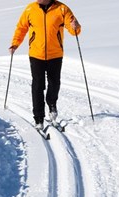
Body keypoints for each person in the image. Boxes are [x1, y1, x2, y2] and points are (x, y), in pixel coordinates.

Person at [9, 0, 81, 130]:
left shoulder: (62, 9)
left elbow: (73, 29)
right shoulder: (30, 9)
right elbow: (21, 28)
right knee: (38, 85)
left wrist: (75, 26)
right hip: (36, 54)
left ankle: (52, 103)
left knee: (54, 83)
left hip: (55, 54)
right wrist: (15, 44)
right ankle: (38, 118)